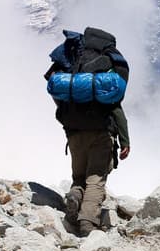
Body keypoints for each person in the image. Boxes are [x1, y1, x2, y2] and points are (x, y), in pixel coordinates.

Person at [46, 27, 131, 236]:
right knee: (95, 178)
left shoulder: (74, 68)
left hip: (74, 133)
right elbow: (116, 109)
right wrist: (125, 139)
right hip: (101, 134)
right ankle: (87, 224)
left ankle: (75, 196)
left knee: (79, 176)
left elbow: (61, 102)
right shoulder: (104, 73)